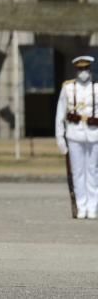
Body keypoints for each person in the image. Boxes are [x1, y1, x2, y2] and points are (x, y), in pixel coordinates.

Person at [55, 55, 98, 219]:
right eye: (80, 69)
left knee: (93, 171)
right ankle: (81, 206)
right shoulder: (68, 88)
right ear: (76, 70)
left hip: (94, 133)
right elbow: (60, 114)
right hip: (74, 133)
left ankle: (92, 206)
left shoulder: (96, 88)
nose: (83, 72)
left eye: (86, 69)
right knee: (78, 172)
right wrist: (60, 137)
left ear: (90, 69)